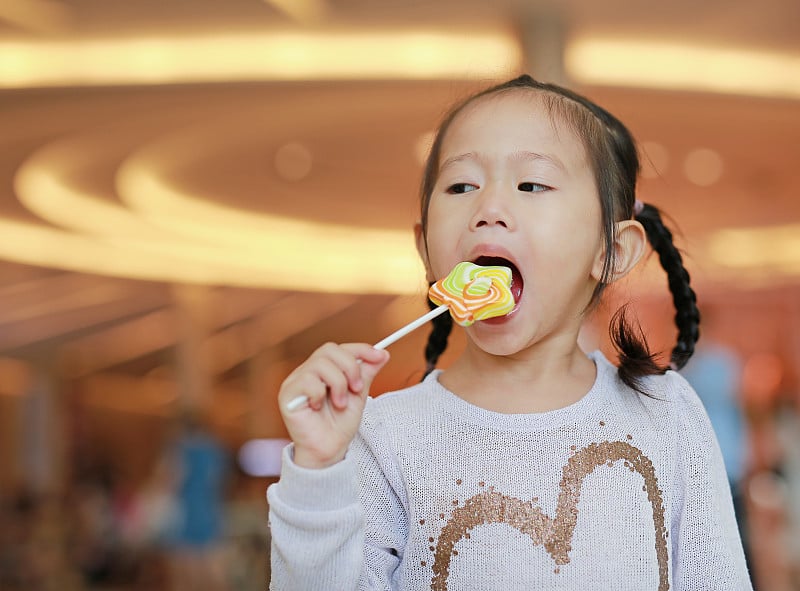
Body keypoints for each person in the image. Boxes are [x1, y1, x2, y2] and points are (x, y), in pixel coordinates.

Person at [267, 75, 751, 590]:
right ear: (426, 248)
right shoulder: (384, 435)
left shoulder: (666, 414)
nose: (488, 211)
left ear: (610, 252)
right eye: (461, 186)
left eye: (531, 185)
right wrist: (318, 470)